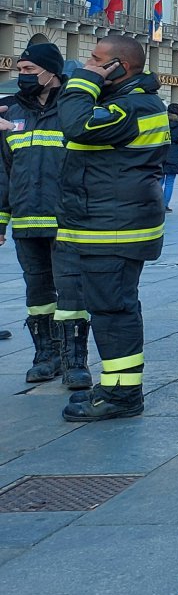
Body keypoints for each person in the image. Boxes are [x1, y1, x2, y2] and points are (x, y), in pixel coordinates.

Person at [55, 34, 168, 422]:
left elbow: (76, 125)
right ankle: (119, 386)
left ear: (119, 67)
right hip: (107, 222)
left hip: (115, 228)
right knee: (111, 308)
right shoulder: (128, 101)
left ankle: (123, 395)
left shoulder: (131, 106)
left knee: (113, 310)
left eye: (95, 59)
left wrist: (83, 81)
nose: (88, 63)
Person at [0, 42, 71, 384]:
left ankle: (74, 359)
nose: (22, 76)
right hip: (27, 222)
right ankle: (46, 354)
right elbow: (4, 170)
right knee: (37, 293)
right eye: (19, 71)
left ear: (51, 72)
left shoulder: (73, 110)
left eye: (29, 70)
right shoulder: (12, 114)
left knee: (71, 292)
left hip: (67, 221)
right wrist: (1, 220)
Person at [162, 103, 178, 211]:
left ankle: (155, 204)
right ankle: (165, 205)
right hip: (174, 154)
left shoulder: (161, 121)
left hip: (160, 153)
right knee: (169, 182)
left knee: (158, 181)